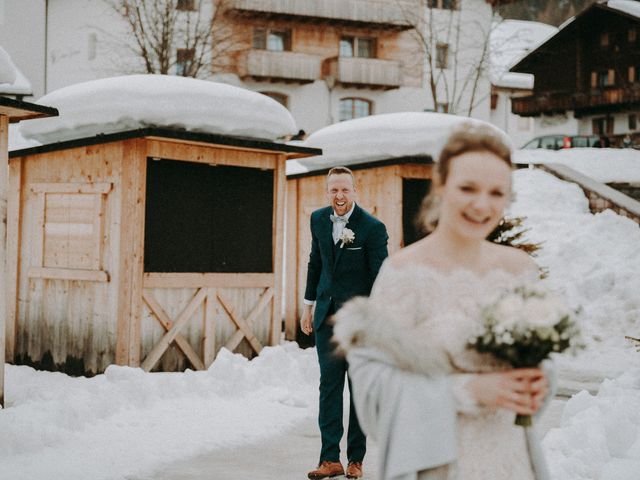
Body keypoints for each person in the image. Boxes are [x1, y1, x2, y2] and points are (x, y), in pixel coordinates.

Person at [333, 123, 556, 480]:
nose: (482, 204)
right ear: (440, 186)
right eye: (467, 188)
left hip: (512, 461)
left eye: (497, 192)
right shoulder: (403, 273)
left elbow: (540, 364)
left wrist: (537, 382)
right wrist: (468, 390)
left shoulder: (520, 271)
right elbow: (373, 390)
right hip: (436, 465)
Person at [301, 166, 389, 480]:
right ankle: (329, 460)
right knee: (329, 388)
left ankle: (356, 460)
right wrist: (308, 306)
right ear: (328, 192)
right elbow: (315, 263)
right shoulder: (318, 220)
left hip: (359, 323)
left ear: (354, 191)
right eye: (334, 190)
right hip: (326, 318)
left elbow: (381, 280)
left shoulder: (372, 228)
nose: (339, 196)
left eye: (345, 190)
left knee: (359, 390)